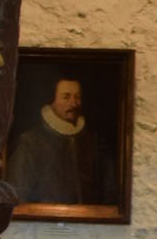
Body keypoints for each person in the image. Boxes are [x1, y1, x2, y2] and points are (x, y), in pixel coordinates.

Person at [8, 71, 109, 206]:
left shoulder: (93, 141)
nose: (73, 103)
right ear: (52, 101)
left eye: (77, 97)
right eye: (66, 97)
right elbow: (18, 194)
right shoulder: (31, 142)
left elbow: (108, 192)